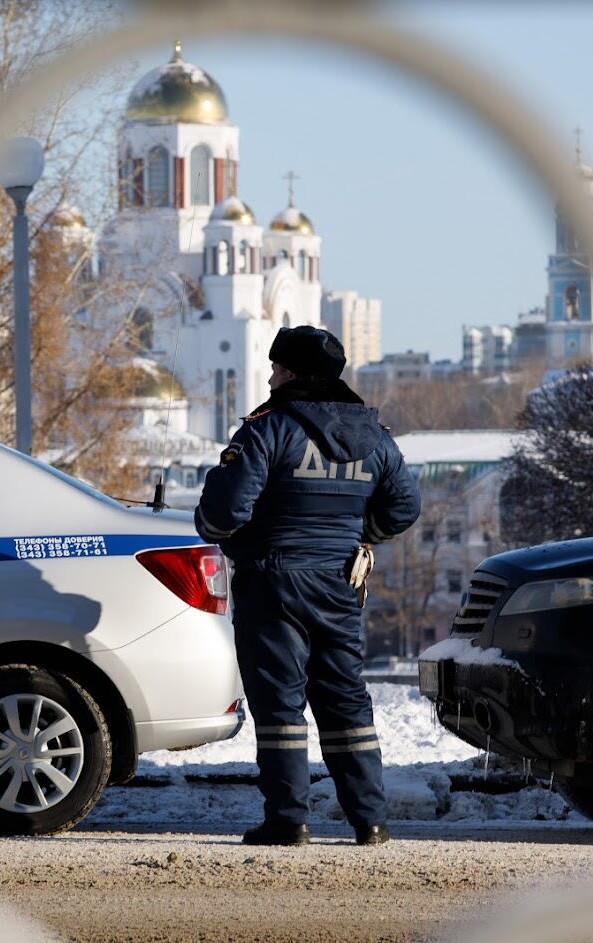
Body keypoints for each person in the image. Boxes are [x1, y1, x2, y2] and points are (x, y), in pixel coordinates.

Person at [195, 326, 420, 846]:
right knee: (346, 701)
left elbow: (224, 513)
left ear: (292, 372)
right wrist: (358, 538)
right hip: (340, 583)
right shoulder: (374, 435)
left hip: (273, 582)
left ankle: (288, 820)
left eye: (276, 368)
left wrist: (229, 536)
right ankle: (372, 821)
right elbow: (404, 508)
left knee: (280, 705)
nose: (271, 377)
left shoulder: (268, 427)